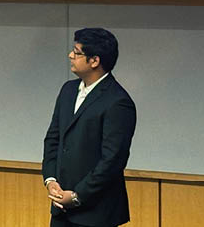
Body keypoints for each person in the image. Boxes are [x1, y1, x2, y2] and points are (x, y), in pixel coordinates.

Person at [42, 28, 137, 227]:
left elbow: (112, 160)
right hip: (61, 208)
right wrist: (51, 180)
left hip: (96, 214)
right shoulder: (68, 90)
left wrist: (77, 196)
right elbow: (53, 138)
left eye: (77, 52)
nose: (70, 55)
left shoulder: (118, 102)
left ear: (94, 61)